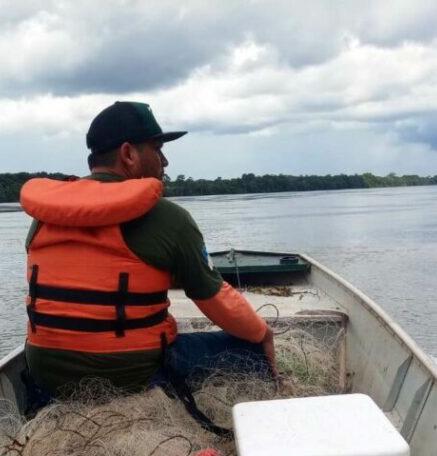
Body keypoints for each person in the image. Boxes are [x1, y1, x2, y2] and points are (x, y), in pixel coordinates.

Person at [19, 100, 276, 406]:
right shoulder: (168, 218)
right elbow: (214, 298)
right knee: (252, 349)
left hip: (46, 373)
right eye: (157, 150)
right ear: (129, 154)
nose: (164, 162)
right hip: (132, 374)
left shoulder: (45, 216)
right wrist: (262, 334)